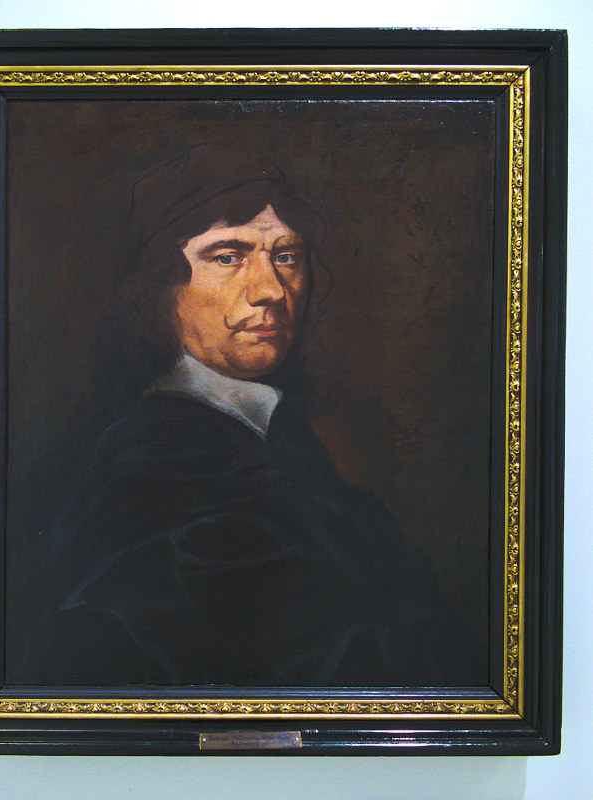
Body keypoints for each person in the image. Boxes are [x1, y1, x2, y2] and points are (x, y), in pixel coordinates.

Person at [41, 144, 484, 688]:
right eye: (228, 257)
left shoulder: (282, 439)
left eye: (287, 256)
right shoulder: (149, 465)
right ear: (158, 285)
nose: (271, 289)